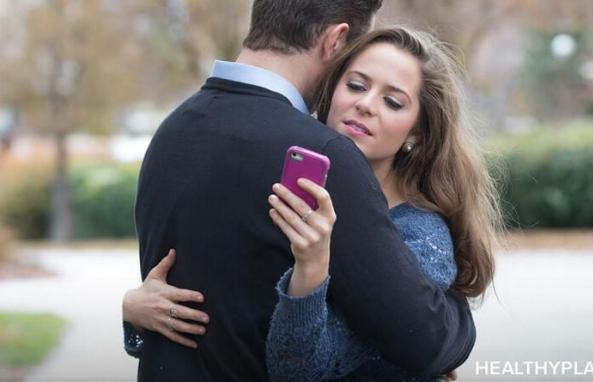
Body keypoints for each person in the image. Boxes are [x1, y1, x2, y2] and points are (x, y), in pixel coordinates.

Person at [125, 1, 477, 380]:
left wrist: (131, 313)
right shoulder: (321, 153)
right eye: (355, 83)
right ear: (335, 40)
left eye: (392, 101)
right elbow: (421, 335)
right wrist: (459, 318)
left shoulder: (171, 132)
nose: (364, 105)